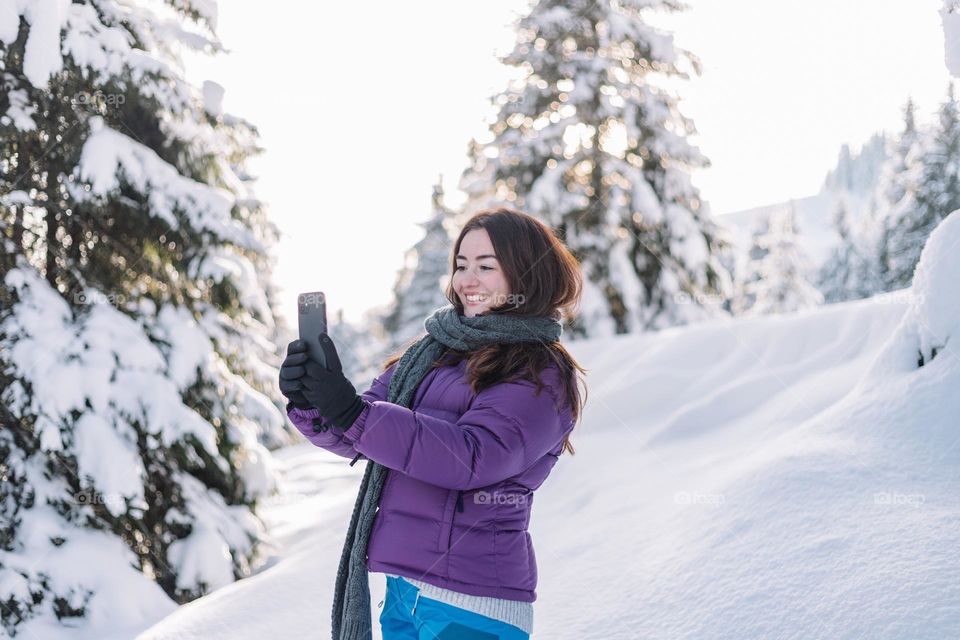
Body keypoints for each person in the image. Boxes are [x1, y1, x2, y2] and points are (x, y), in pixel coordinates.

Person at [279, 207, 588, 640]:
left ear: (526, 275)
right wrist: (313, 400)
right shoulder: (433, 352)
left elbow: (471, 459)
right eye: (461, 265)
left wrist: (354, 414)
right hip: (405, 588)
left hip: (474, 602)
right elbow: (361, 435)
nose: (467, 280)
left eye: (486, 266)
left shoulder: (539, 371)